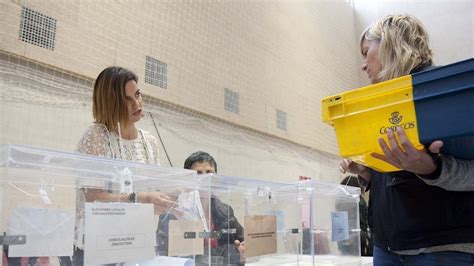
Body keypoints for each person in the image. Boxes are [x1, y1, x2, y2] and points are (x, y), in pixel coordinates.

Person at [340, 15, 474, 265]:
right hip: (387, 246)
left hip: (442, 247)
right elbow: (398, 175)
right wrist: (368, 173)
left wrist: (433, 169)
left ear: (390, 44)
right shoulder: (381, 104)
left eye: (366, 52)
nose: (362, 65)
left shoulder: (447, 91)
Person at [72, 66, 174, 265]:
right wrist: (139, 199)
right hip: (99, 250)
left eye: (137, 94)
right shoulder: (96, 137)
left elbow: (155, 190)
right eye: (127, 99)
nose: (137, 103)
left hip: (138, 244)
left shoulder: (150, 141)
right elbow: (93, 198)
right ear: (111, 102)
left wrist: (170, 200)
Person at [184, 151, 245, 265]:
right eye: (198, 173)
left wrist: (243, 250)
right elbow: (167, 253)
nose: (204, 178)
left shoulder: (225, 211)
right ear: (188, 178)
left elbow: (242, 240)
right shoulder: (174, 211)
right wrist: (232, 253)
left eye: (209, 172)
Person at [340, 176, 373, 256]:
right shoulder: (359, 202)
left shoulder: (340, 203)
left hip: (344, 240)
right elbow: (365, 222)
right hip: (358, 240)